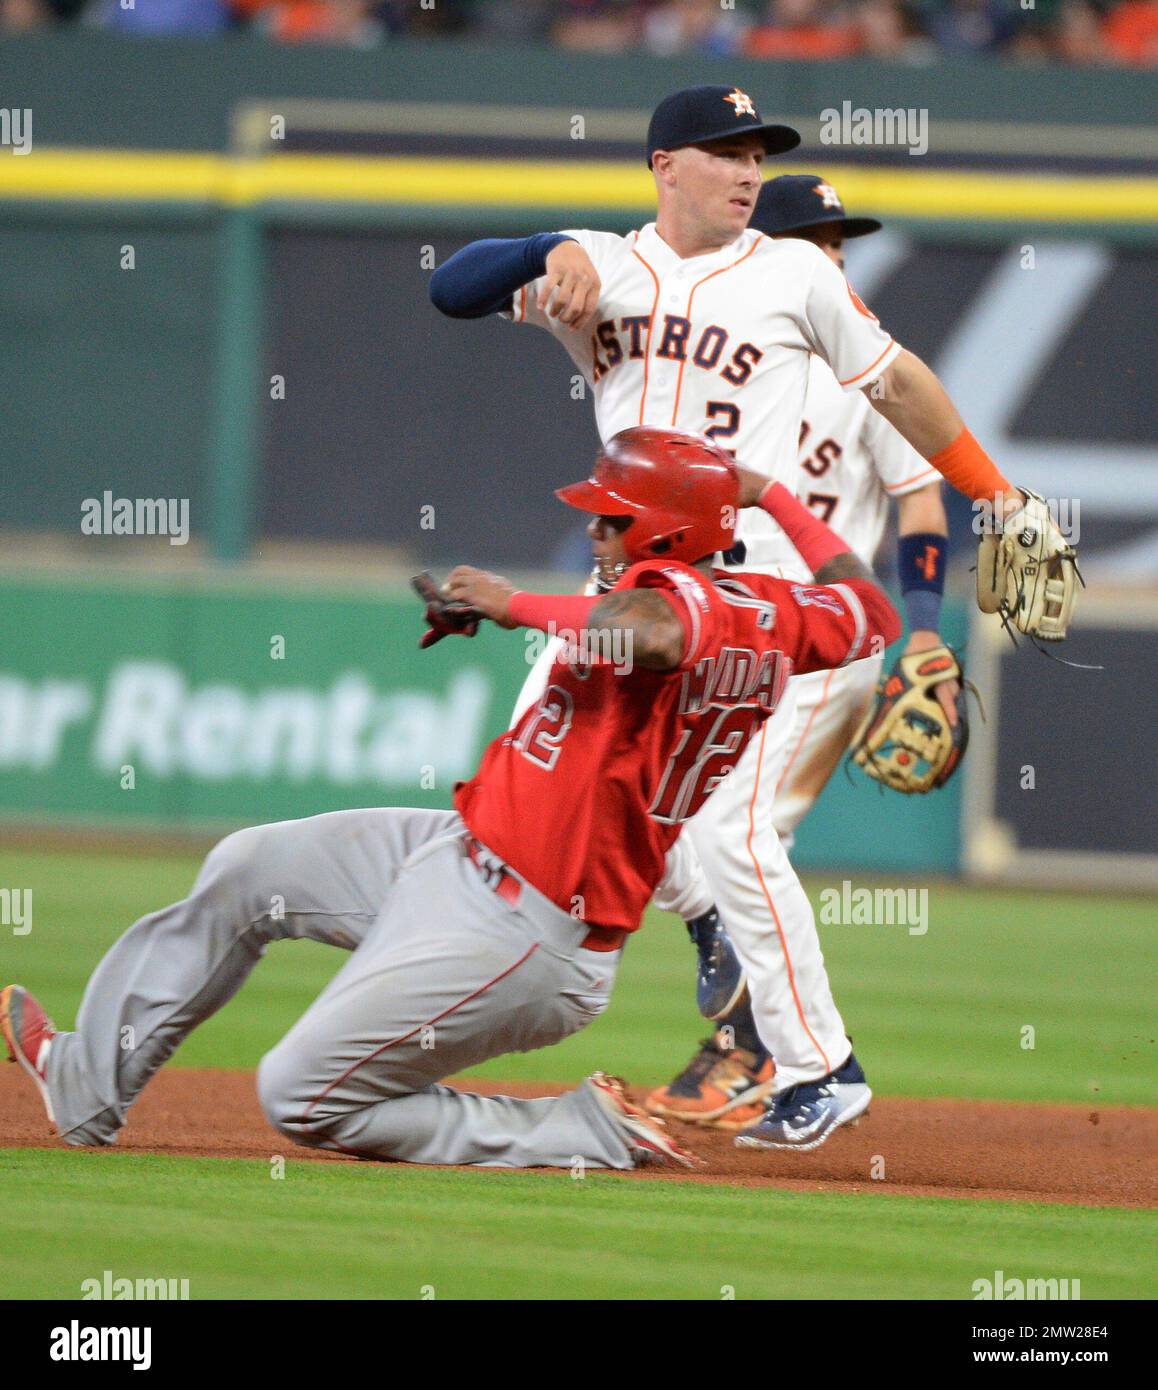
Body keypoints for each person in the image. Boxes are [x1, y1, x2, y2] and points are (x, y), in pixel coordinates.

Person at [2, 428, 900, 1170]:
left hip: (526, 929)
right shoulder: (781, 612)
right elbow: (872, 611)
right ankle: (89, 1083)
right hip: (457, 852)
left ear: (665, 535)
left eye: (612, 521)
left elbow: (658, 635)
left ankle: (572, 1133)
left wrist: (514, 604)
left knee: (297, 1096)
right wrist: (772, 491)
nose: (595, 535)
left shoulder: (686, 602)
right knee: (247, 869)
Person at [430, 83, 1033, 1149]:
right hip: (629, 584)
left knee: (732, 827)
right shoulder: (606, 268)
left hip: (748, 591)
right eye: (724, 150)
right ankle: (704, 928)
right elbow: (451, 290)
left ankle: (819, 1069)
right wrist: (542, 248)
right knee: (546, 768)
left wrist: (1000, 497)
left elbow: (905, 391)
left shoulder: (798, 271)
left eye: (758, 152)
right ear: (666, 165)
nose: (748, 168)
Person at [644, 173, 959, 1133]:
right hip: (732, 626)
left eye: (839, 242)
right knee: (655, 814)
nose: (832, 256)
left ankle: (779, 1059)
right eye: (812, 239)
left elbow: (921, 499)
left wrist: (927, 629)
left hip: (829, 643)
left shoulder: (869, 369)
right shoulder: (727, 365)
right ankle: (746, 1009)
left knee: (738, 839)